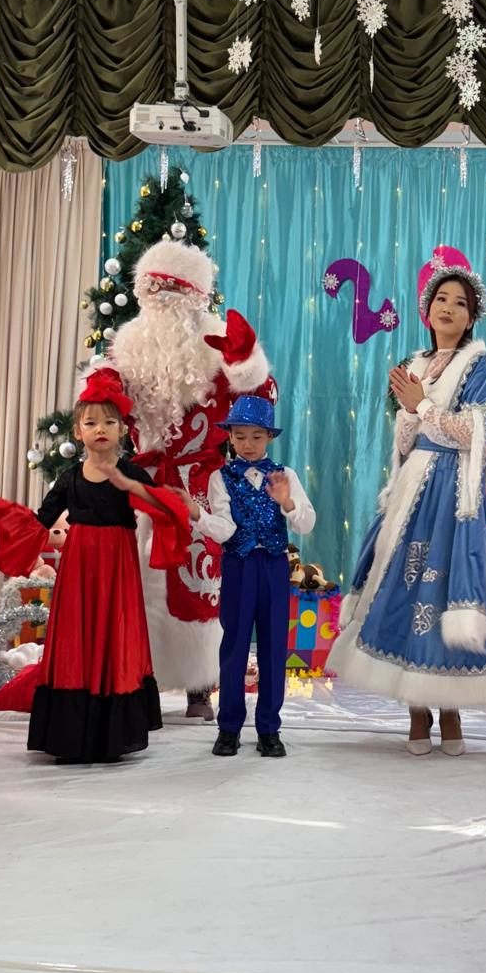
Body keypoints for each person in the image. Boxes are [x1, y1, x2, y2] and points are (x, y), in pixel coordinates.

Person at [330, 267, 486, 755]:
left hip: (451, 494)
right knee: (406, 590)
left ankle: (450, 707)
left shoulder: (479, 364)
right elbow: (406, 441)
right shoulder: (416, 363)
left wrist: (422, 406)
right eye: (442, 299)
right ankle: (417, 708)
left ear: (471, 317)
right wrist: (408, 412)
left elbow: (474, 434)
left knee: (443, 590)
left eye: (460, 303)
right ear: (427, 310)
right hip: (412, 491)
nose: (449, 308)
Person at [0, 370, 190, 764]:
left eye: (109, 422)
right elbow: (39, 522)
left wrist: (168, 501)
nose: (100, 429)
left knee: (113, 635)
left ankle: (110, 736)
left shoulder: (131, 474)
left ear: (122, 429)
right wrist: (0, 508)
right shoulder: (70, 478)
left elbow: (162, 508)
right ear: (78, 431)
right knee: (76, 637)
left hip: (117, 569)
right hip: (79, 569)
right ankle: (72, 736)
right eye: (91, 423)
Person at [96, 238, 277, 720]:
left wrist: (245, 365)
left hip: (200, 483)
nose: (162, 302)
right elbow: (101, 406)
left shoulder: (217, 347)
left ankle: (201, 685)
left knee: (201, 583)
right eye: (153, 291)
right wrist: (99, 389)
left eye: (172, 292)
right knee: (138, 582)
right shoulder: (126, 350)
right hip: (141, 483)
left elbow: (263, 401)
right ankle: (141, 679)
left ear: (194, 297)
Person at [176, 395, 315, 759]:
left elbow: (306, 523)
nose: (248, 444)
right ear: (230, 438)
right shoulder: (221, 478)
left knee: (273, 647)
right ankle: (229, 727)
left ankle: (269, 728)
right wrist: (197, 515)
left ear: (269, 436)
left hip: (274, 566)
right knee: (235, 645)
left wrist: (287, 502)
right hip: (238, 567)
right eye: (240, 436)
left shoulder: (285, 476)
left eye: (256, 436)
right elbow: (225, 529)